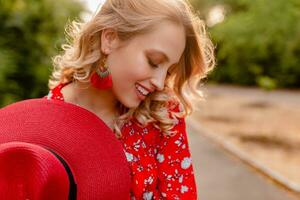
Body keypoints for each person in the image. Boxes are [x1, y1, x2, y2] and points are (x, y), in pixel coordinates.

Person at [47, 0, 215, 199]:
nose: (160, 83)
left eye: (169, 70)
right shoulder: (45, 121)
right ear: (110, 39)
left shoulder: (164, 116)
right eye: (154, 62)